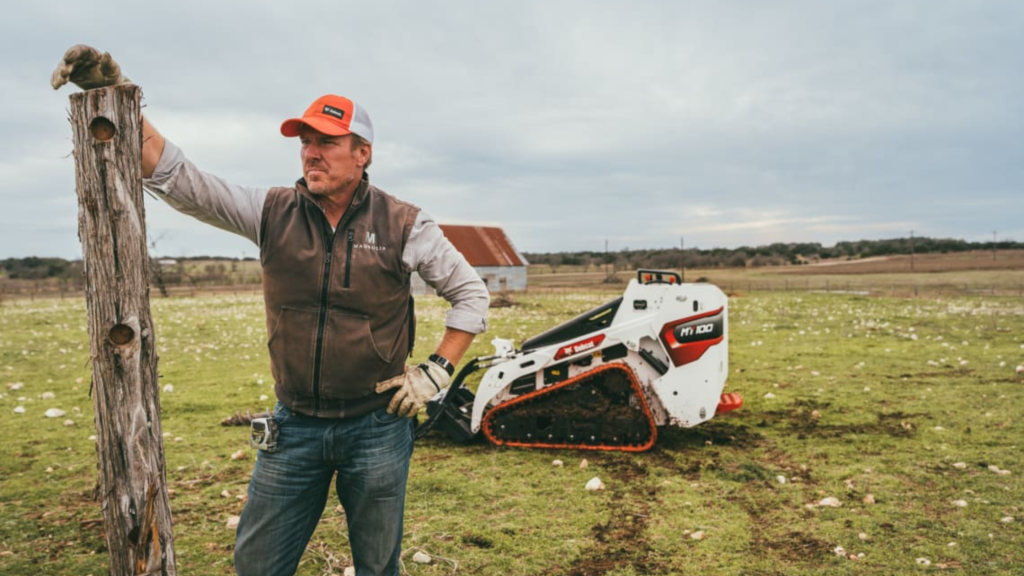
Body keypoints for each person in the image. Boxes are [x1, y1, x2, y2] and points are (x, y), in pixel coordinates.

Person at [52, 45, 490, 576]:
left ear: (363, 153)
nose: (311, 152)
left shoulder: (404, 224)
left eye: (327, 142)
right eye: (305, 142)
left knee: (378, 565)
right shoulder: (271, 212)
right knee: (257, 564)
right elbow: (181, 180)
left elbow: (471, 294)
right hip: (295, 425)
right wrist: (119, 99)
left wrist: (435, 372)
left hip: (376, 426)